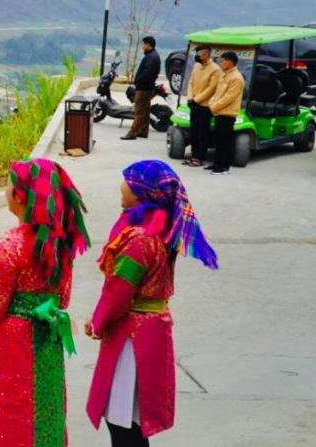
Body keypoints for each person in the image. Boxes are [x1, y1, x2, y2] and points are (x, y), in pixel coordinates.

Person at [0, 158, 90, 447]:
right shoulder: (60, 244)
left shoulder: (9, 244)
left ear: (20, 195)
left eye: (8, 182)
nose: (6, 188)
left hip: (10, 344)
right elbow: (62, 300)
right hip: (47, 340)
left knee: (9, 415)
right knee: (44, 412)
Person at [85, 161, 218, 446]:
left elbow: (118, 292)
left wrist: (97, 323)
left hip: (132, 340)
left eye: (128, 182)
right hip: (150, 333)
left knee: (123, 423)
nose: (122, 186)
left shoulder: (139, 239)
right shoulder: (157, 232)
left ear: (143, 192)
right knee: (133, 421)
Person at [183, 45, 221, 168]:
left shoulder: (215, 69)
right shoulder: (196, 66)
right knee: (193, 132)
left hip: (205, 106)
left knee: (202, 133)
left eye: (198, 55)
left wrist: (197, 100)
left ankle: (200, 157)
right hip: (193, 104)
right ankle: (193, 156)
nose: (197, 57)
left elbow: (211, 89)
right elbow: (191, 82)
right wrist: (190, 99)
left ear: (206, 55)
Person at [207, 51, 245, 174]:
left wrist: (214, 107)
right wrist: (212, 102)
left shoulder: (236, 78)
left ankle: (224, 167)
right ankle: (216, 163)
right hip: (219, 112)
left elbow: (229, 97)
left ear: (229, 62)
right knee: (218, 140)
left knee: (225, 141)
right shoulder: (224, 75)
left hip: (227, 114)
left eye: (222, 61)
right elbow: (218, 93)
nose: (220, 63)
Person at [123, 37, 161, 141]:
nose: (142, 46)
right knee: (145, 110)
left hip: (144, 88)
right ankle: (143, 131)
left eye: (143, 44)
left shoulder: (151, 57)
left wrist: (138, 81)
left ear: (148, 45)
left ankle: (132, 133)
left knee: (139, 111)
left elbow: (148, 73)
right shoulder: (152, 56)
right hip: (147, 87)